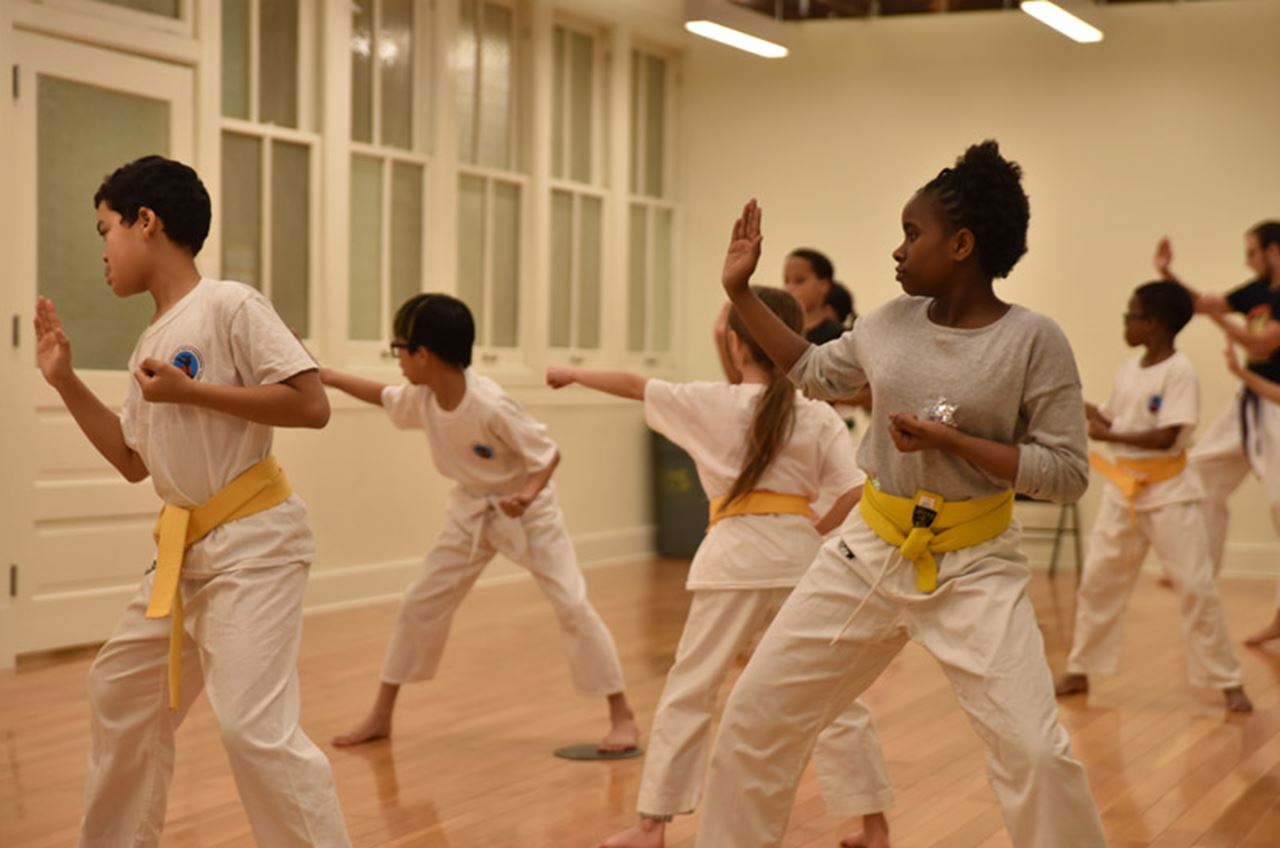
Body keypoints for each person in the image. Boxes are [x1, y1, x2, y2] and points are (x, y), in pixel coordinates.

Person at [694, 141, 1107, 848]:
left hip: (976, 563)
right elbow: (816, 371)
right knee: (754, 720)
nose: (897, 249)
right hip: (869, 549)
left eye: (913, 234)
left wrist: (956, 442)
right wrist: (738, 295)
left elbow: (1067, 473)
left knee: (1037, 755)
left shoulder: (1035, 341)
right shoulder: (888, 322)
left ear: (963, 244)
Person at [34, 155, 351, 847]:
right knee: (120, 689)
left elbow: (311, 404)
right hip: (186, 551)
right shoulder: (150, 340)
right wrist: (62, 381)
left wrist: (191, 391)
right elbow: (129, 460)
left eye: (105, 229)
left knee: (252, 728)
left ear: (147, 222)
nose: (103, 251)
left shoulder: (230, 304)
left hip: (255, 545)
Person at [549, 287, 892, 848]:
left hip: (731, 562)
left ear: (735, 346)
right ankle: (873, 826)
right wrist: (813, 526)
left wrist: (572, 373)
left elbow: (636, 386)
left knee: (692, 690)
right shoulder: (817, 414)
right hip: (801, 563)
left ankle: (651, 825)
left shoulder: (710, 401)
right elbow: (857, 492)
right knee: (831, 696)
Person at [318, 293, 639, 751]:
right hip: (470, 510)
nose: (398, 361)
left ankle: (622, 715)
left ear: (423, 355)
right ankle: (381, 714)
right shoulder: (424, 397)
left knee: (572, 603)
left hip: (529, 514)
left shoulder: (491, 405)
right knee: (419, 602)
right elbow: (382, 396)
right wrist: (325, 374)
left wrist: (526, 496)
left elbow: (546, 456)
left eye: (399, 348)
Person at [1053, 281, 1251, 712]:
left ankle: (1227, 679)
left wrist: (1109, 433)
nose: (1125, 322)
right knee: (1098, 582)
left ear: (1154, 324)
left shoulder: (1179, 371)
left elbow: (1166, 437)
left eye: (1132, 315)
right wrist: (1071, 399)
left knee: (1196, 586)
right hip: (1123, 490)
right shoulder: (1130, 370)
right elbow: (1109, 416)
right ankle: (1080, 667)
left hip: (1170, 493)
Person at [1156, 222, 1280, 644]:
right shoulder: (1256, 292)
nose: (1248, 260)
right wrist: (1169, 275)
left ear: (1273, 250)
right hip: (1250, 400)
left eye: (1252, 252)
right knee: (1202, 470)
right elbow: (1207, 303)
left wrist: (1230, 338)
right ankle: (1198, 573)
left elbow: (1263, 344)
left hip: (1277, 402)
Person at [785, 248, 846, 343]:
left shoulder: (837, 336)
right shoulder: (782, 330)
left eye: (799, 280)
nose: (789, 288)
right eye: (787, 281)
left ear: (824, 286)